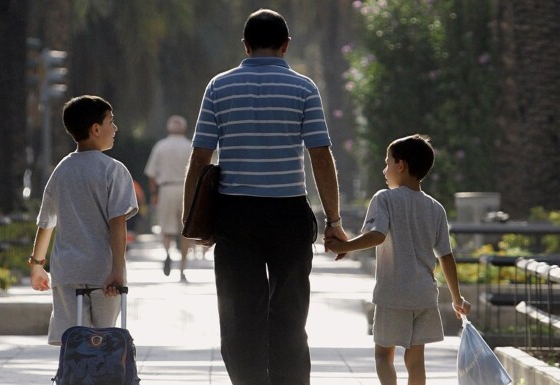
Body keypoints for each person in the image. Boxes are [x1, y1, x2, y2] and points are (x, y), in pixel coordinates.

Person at [182, 9, 347, 385]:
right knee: (290, 314)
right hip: (289, 213)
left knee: (240, 316)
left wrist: (193, 221)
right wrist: (334, 221)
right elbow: (320, 155)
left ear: (246, 45)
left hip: (234, 215)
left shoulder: (218, 87)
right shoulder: (304, 88)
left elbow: (200, 156)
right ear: (286, 46)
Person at [326, 134, 472, 385]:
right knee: (415, 361)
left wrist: (346, 245)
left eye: (387, 162)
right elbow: (446, 256)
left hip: (393, 293)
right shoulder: (436, 208)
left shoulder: (384, 199)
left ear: (401, 166)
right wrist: (457, 297)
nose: (385, 169)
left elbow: (376, 235)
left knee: (383, 355)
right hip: (424, 295)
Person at [29, 95, 138, 345]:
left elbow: (46, 222)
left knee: (73, 342)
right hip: (104, 273)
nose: (115, 128)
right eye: (111, 121)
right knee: (104, 340)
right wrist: (117, 271)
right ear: (96, 129)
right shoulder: (114, 170)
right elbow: (117, 224)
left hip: (67, 271)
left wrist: (37, 265)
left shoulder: (62, 170)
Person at [144, 115, 192, 282]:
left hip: (166, 188)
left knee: (166, 228)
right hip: (186, 190)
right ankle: (182, 269)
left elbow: (151, 174)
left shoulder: (161, 146)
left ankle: (167, 253)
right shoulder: (190, 146)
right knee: (185, 230)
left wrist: (154, 194)